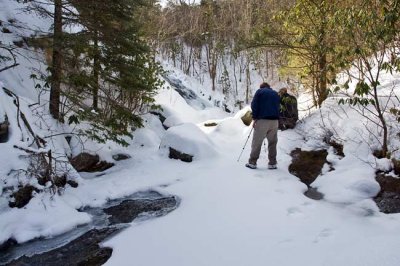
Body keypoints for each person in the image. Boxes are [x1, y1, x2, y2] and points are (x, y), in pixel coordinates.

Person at [246, 82, 280, 170]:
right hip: (275, 121)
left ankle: (252, 162)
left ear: (261, 87)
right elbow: (279, 107)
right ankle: (272, 163)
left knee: (257, 142)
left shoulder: (259, 92)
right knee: (273, 142)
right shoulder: (275, 94)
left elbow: (254, 105)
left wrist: (255, 118)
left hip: (263, 121)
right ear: (269, 87)